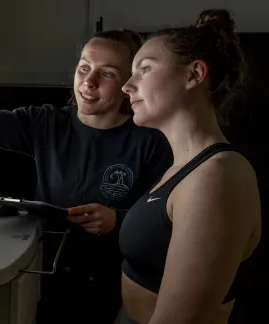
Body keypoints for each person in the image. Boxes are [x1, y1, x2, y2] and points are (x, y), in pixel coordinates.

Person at [0, 29, 173, 323]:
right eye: (84, 68)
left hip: (109, 282)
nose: (89, 81)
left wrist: (117, 220)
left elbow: (162, 220)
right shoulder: (47, 122)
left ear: (128, 84)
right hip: (45, 270)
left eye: (107, 74)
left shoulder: (150, 141)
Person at [119, 9, 262, 324]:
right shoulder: (182, 167)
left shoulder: (218, 175)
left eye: (144, 69)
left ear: (194, 74)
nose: (127, 85)